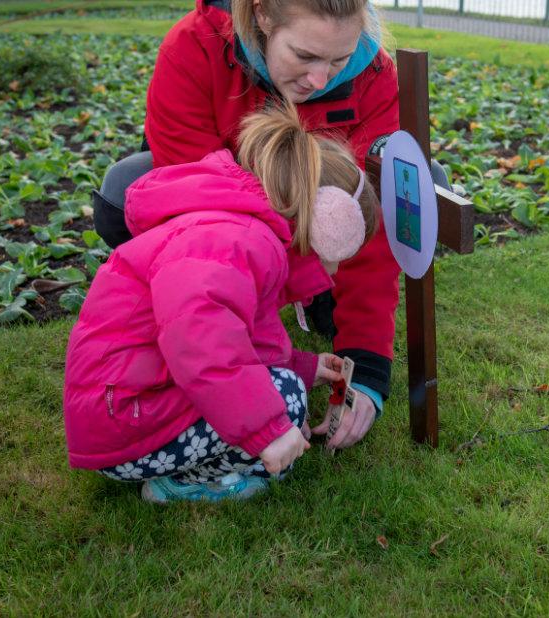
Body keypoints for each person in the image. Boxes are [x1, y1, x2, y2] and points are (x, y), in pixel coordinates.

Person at [93, 0, 424, 451]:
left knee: (418, 188)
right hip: (221, 220)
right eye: (304, 56)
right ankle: (261, 295)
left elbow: (364, 219)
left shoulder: (375, 76)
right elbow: (200, 219)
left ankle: (315, 292)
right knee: (122, 191)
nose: (320, 80)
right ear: (263, 15)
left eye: (339, 60)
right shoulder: (192, 48)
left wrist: (365, 366)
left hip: (295, 233)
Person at [65, 105, 381, 503]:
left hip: (129, 407)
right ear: (328, 223)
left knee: (285, 393)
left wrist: (305, 367)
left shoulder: (245, 232)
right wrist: (268, 431)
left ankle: (210, 455)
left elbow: (248, 340)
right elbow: (202, 343)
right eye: (342, 253)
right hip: (126, 422)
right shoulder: (241, 240)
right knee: (285, 400)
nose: (336, 271)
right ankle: (185, 482)